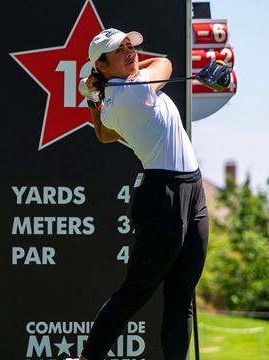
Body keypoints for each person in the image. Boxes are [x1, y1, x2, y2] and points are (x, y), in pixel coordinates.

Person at [70, 29, 209, 360]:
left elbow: (103, 134)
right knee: (135, 292)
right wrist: (103, 83)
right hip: (165, 192)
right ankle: (88, 357)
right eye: (120, 51)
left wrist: (93, 93)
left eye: (130, 46)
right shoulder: (135, 92)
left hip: (191, 188)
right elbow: (165, 62)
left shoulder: (115, 100)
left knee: (181, 295)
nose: (131, 53)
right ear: (101, 65)